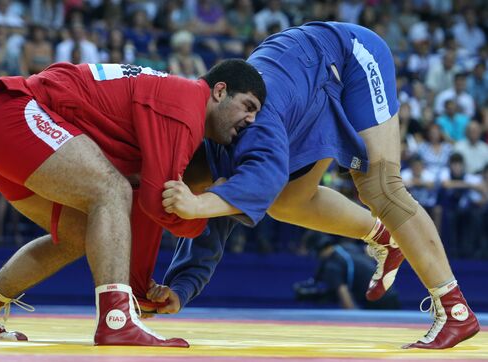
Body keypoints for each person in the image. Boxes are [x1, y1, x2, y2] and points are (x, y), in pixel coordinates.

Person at [160, 22, 480, 349]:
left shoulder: (251, 125)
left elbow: (242, 191)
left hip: (348, 55)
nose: (195, 201)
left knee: (381, 187)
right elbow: (220, 211)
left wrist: (199, 204)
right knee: (286, 203)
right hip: (305, 81)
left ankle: (454, 308)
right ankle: (383, 235)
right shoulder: (215, 133)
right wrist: (180, 288)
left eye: (194, 192)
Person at [0, 60, 265, 347]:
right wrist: (207, 205)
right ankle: (116, 321)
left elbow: (143, 207)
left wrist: (140, 292)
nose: (251, 120)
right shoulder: (186, 104)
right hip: (15, 113)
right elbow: (157, 203)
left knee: (81, 234)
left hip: (2, 130)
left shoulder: (177, 109)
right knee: (112, 189)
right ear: (220, 91)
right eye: (248, 106)